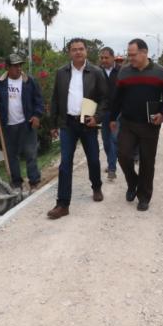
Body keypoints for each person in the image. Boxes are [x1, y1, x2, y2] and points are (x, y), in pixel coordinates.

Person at [47, 38, 110, 219]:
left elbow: (106, 99)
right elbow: (55, 98)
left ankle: (96, 186)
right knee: (65, 163)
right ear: (69, 53)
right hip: (67, 124)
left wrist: (97, 117)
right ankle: (62, 204)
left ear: (86, 51)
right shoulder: (61, 73)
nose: (78, 52)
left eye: (81, 49)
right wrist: (53, 124)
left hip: (87, 122)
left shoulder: (96, 72)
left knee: (93, 159)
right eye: (74, 49)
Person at [109, 39, 163, 211]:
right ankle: (133, 182)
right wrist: (113, 118)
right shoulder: (124, 72)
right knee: (123, 155)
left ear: (144, 52)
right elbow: (117, 98)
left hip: (150, 125)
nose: (130, 58)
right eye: (129, 54)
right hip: (127, 122)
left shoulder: (161, 73)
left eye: (133, 54)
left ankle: (144, 196)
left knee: (147, 162)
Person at [0, 53, 45, 192]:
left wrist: (37, 115)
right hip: (8, 125)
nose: (18, 68)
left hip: (27, 123)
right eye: (15, 66)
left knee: (31, 153)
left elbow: (39, 101)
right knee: (12, 156)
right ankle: (17, 183)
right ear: (7, 67)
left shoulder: (29, 81)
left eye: (20, 65)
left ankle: (34, 182)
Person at [98, 47, 121, 180]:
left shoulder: (121, 71)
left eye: (106, 57)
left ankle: (112, 168)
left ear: (113, 58)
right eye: (102, 58)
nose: (104, 60)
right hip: (103, 112)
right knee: (106, 141)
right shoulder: (97, 72)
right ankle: (111, 161)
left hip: (117, 112)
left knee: (113, 139)